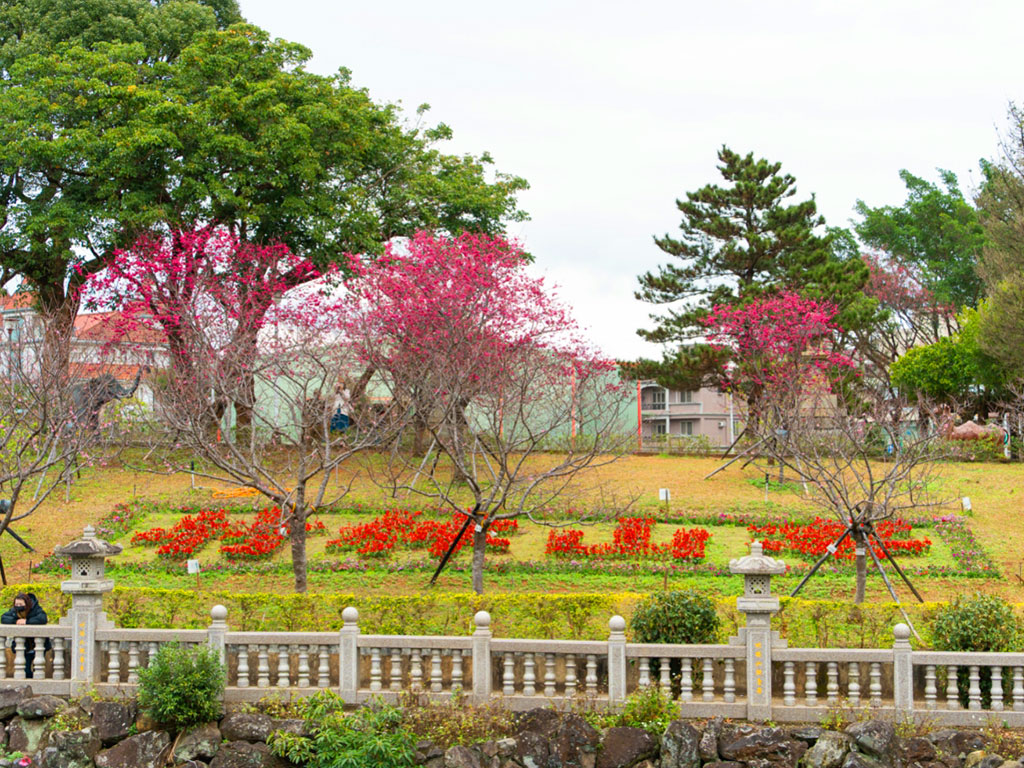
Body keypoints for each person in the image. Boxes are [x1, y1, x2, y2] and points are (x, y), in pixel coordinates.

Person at [1, 593, 48, 678]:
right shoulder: (14, 611)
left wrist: (27, 621)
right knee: (25, 668)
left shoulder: (36, 609)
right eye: (16, 604)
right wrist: (16, 621)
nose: (18, 606)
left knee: (38, 667)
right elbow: (4, 618)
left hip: (37, 644)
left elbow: (42, 619)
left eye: (21, 604)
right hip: (24, 645)